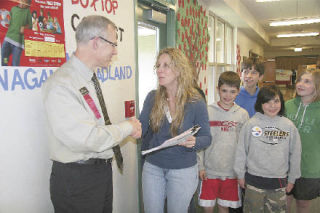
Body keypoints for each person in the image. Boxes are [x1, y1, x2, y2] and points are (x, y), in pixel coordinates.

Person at [42, 15, 142, 213]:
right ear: (96, 42)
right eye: (113, 44)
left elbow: (95, 125)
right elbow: (87, 138)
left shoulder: (88, 79)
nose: (115, 51)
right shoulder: (62, 85)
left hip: (99, 173)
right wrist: (127, 127)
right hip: (77, 181)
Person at [139, 47, 211, 213]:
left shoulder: (195, 101)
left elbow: (207, 137)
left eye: (166, 65)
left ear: (179, 70)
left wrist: (195, 141)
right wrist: (132, 128)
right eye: (158, 66)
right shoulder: (152, 97)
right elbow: (142, 128)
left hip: (183, 170)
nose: (159, 70)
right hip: (153, 167)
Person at [234, 85, 301, 213]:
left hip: (279, 182)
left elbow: (296, 154)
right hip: (254, 181)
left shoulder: (289, 126)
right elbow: (241, 151)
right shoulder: (251, 124)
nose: (272, 106)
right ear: (260, 103)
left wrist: (292, 179)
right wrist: (240, 175)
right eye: (267, 102)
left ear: (281, 102)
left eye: (276, 101)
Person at [197, 71, 249, 213]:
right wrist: (200, 166)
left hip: (231, 171)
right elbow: (200, 141)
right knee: (207, 207)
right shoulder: (207, 111)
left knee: (223, 206)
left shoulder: (243, 114)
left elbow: (245, 146)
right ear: (218, 89)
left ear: (238, 91)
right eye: (224, 91)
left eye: (232, 91)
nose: (228, 95)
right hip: (209, 171)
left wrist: (241, 170)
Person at [285, 70, 320, 213]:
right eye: (299, 80)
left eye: (307, 81)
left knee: (303, 204)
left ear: (317, 86)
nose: (300, 84)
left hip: (309, 167)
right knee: (283, 202)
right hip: (284, 165)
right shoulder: (287, 105)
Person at [1, 0, 32, 66]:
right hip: (8, 39)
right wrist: (4, 20)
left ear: (28, 5)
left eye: (26, 3)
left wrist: (24, 27)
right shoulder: (13, 9)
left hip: (18, 44)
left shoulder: (27, 12)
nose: (23, 4)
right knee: (4, 60)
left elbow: (30, 26)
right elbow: (8, 20)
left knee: (15, 64)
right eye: (22, 1)